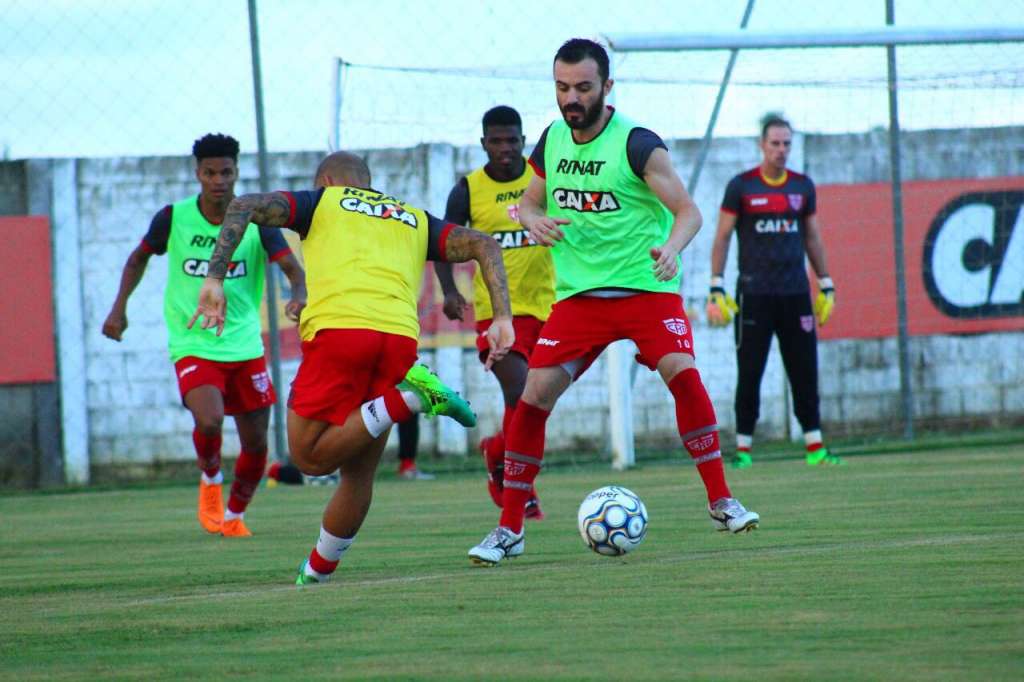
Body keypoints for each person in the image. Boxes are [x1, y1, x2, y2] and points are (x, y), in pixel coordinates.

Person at [468, 39, 759, 566]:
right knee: (532, 398)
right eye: (562, 88)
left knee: (683, 374)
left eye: (582, 87)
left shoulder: (638, 145)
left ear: (607, 86)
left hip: (646, 291)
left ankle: (722, 501)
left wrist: (672, 248)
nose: (571, 99)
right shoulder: (552, 141)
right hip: (580, 299)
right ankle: (509, 530)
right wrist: (530, 220)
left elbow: (689, 212)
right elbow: (528, 204)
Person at [189, 151, 513, 584]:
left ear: (326, 180)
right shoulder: (411, 216)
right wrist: (503, 319)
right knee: (357, 473)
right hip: (399, 342)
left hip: (341, 336)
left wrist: (214, 279)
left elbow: (243, 203)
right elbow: (484, 244)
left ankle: (408, 400)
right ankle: (318, 571)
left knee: (308, 457)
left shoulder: (322, 201)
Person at [102, 133, 307, 537]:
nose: (218, 180)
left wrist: (299, 295)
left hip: (245, 344)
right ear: (197, 173)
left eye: (226, 171)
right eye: (210, 172)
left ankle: (234, 516)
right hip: (193, 339)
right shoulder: (173, 218)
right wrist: (118, 309)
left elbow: (293, 270)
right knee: (209, 420)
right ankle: (211, 479)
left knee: (256, 443)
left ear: (236, 172)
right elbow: (137, 259)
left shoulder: (253, 219)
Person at [435, 105, 553, 518]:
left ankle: (499, 453)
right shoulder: (467, 190)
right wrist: (449, 291)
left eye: (512, 140)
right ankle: (520, 481)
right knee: (520, 395)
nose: (505, 148)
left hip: (550, 310)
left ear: (524, 142)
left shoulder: (543, 181)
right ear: (484, 143)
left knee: (536, 403)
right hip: (497, 317)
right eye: (496, 141)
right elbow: (442, 243)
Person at [707, 115, 841, 468]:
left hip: (795, 293)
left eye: (786, 144)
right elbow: (721, 237)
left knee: (804, 370)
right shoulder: (742, 187)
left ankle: (816, 448)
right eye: (775, 144)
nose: (781, 150)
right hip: (753, 295)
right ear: (761, 145)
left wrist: (825, 283)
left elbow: (812, 237)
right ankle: (744, 451)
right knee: (750, 370)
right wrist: (716, 286)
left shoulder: (802, 187)